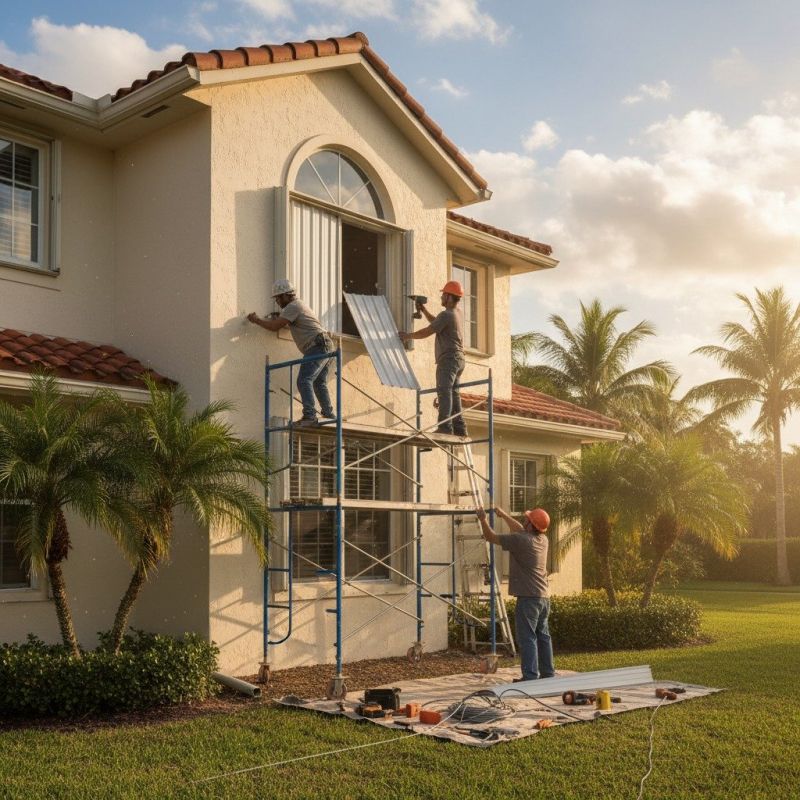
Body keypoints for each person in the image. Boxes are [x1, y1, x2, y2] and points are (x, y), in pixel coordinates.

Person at [475, 505, 555, 682]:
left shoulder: (521, 541)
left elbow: (491, 537)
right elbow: (521, 529)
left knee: (527, 638)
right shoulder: (543, 539)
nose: (524, 521)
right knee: (543, 636)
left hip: (528, 598)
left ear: (530, 524)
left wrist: (482, 520)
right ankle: (548, 674)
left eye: (527, 519)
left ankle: (530, 676)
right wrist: (503, 515)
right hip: (543, 597)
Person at [247, 279, 335, 426]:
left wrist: (256, 320)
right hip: (325, 345)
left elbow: (275, 327)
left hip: (318, 345)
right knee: (318, 382)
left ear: (287, 295)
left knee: (304, 380)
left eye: (279, 298)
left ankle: (310, 416)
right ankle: (328, 412)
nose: (278, 302)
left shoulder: (293, 306)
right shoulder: (297, 306)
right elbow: (287, 323)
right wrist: (279, 318)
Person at [398, 281, 467, 436]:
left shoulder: (447, 315)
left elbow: (429, 331)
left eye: (443, 294)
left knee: (444, 391)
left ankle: (445, 427)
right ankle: (460, 429)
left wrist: (407, 336)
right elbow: (438, 323)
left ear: (449, 297)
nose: (441, 297)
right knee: (454, 393)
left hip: (448, 359)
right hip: (459, 359)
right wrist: (424, 310)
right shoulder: (458, 313)